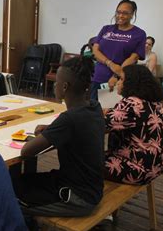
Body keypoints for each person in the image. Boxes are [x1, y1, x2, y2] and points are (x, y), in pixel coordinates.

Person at [16, 56, 105, 216]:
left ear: (64, 87)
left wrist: (51, 131)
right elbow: (78, 129)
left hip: (77, 198)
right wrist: (52, 129)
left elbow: (26, 152)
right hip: (90, 187)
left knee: (8, 195)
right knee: (20, 181)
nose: (54, 85)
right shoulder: (94, 107)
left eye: (56, 82)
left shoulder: (69, 119)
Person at [104, 65, 163, 185]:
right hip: (157, 165)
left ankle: (82, 196)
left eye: (121, 79)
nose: (118, 82)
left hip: (137, 169)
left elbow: (100, 125)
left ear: (131, 83)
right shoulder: (155, 103)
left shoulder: (131, 104)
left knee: (83, 160)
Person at [91, 0, 146, 100]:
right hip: (98, 76)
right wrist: (110, 64)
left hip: (120, 81)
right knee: (94, 111)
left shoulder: (139, 34)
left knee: (112, 112)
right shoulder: (106, 29)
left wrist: (116, 76)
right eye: (118, 12)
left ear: (132, 14)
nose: (120, 16)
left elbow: (133, 58)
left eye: (125, 13)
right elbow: (95, 50)